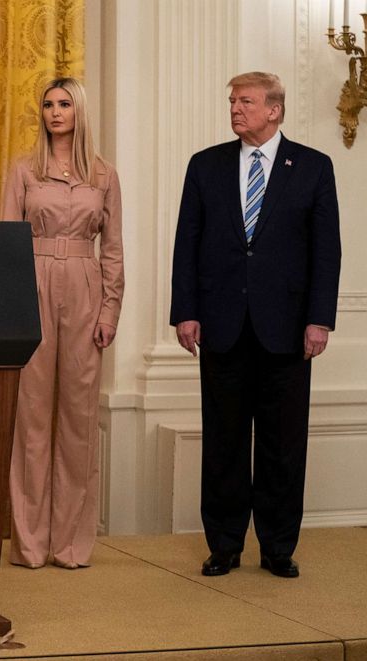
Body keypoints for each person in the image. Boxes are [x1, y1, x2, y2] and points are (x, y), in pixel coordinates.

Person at [170, 72, 341, 579]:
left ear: (275, 110)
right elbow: (187, 244)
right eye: (232, 101)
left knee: (282, 444)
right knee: (223, 442)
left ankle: (278, 547)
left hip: (288, 330)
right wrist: (186, 310)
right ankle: (223, 544)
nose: (236, 109)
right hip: (221, 324)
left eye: (246, 101)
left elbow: (325, 252)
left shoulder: (313, 167)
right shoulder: (206, 166)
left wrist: (319, 320)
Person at [1, 77, 124, 570]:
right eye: (48, 104)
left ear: (80, 111)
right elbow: (6, 245)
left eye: (65, 103)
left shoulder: (103, 174)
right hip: (31, 285)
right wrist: (11, 311)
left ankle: (71, 543)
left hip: (84, 286)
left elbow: (113, 249)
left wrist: (110, 310)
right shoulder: (23, 169)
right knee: (30, 420)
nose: (55, 112)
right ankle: (29, 544)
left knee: (77, 421)